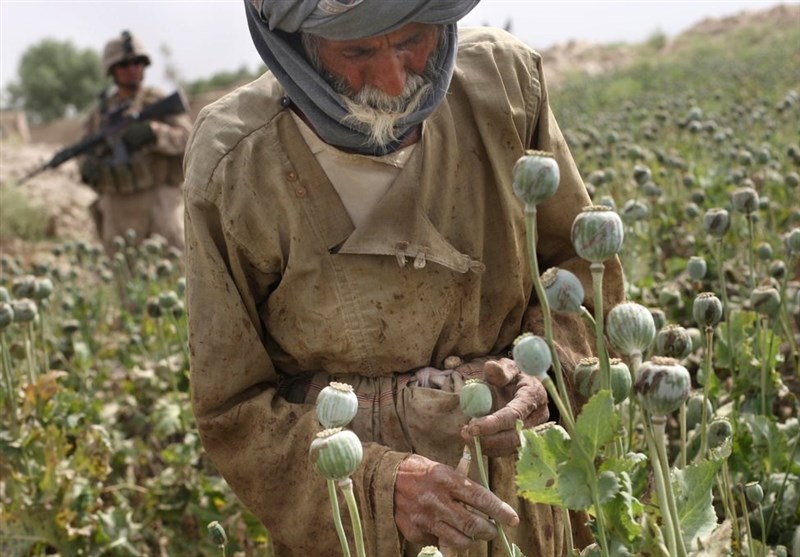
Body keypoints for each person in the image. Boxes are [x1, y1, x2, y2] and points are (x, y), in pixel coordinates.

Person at [183, 1, 624, 556]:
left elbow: (581, 272)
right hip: (353, 522)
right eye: (358, 51)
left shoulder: (505, 87)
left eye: (413, 40)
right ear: (294, 46)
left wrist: (550, 376)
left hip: (525, 492)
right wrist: (376, 487)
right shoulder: (236, 161)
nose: (394, 79)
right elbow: (232, 408)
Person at [79, 30, 192, 255]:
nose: (132, 69)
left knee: (173, 266)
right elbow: (84, 152)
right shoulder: (100, 114)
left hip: (160, 200)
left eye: (137, 63)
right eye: (124, 65)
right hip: (117, 205)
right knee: (126, 276)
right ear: (112, 70)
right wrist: (88, 167)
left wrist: (154, 132)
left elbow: (189, 139)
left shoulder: (158, 100)